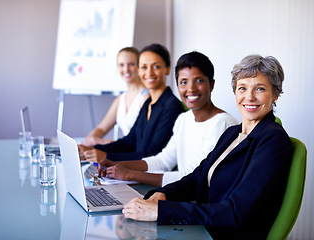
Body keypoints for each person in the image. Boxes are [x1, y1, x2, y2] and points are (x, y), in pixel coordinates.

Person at [122, 54, 293, 240]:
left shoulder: (273, 140)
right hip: (205, 227)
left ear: (275, 94)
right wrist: (163, 194)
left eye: (260, 89)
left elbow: (235, 211)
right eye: (242, 88)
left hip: (225, 234)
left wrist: (161, 211)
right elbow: (196, 179)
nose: (249, 97)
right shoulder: (233, 133)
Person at [100, 51, 238, 187]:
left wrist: (129, 174)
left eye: (199, 81)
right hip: (185, 197)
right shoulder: (183, 119)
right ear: (177, 86)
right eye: (184, 82)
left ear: (212, 84)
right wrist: (114, 164)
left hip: (206, 204)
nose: (191, 88)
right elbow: (163, 161)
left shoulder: (223, 124)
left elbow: (193, 176)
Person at [79, 44, 185, 167]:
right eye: (144, 67)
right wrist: (93, 150)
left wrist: (107, 157)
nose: (149, 72)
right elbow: (129, 142)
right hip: (134, 171)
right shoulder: (148, 103)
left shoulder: (172, 106)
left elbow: (154, 153)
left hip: (151, 176)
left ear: (167, 69)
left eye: (156, 66)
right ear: (139, 70)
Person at [81, 47, 149, 147]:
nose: (126, 69)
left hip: (137, 154)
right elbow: (101, 129)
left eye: (131, 64)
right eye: (121, 65)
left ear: (139, 66)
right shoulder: (120, 99)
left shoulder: (146, 97)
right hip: (124, 149)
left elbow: (144, 139)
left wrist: (106, 143)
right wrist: (87, 142)